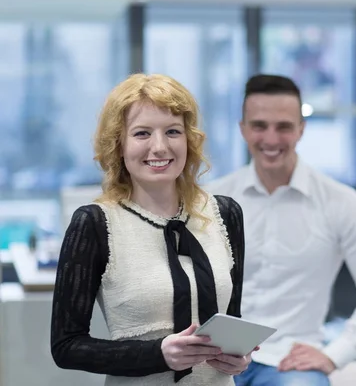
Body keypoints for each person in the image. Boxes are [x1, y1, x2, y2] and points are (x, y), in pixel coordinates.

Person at [50, 73, 251, 385]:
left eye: (173, 131)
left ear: (189, 140)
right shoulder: (94, 223)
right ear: (118, 144)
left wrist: (239, 357)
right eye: (142, 133)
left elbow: (231, 321)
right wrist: (158, 354)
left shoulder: (224, 214)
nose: (159, 147)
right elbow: (66, 346)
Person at [205, 74, 356, 386]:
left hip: (288, 362)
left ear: (301, 129)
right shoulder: (210, 201)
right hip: (214, 357)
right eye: (259, 125)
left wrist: (336, 353)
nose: (271, 139)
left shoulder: (340, 202)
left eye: (283, 126)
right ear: (243, 129)